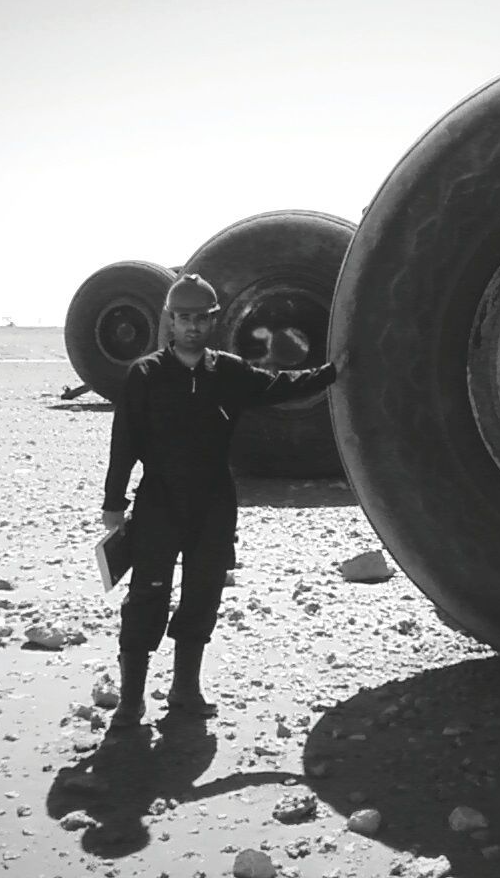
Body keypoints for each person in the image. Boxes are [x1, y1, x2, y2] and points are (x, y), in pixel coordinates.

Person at [100, 273, 343, 728]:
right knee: (146, 596)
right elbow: (124, 444)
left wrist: (333, 371)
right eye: (184, 318)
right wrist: (113, 503)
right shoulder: (146, 375)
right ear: (170, 321)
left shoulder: (228, 372)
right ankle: (130, 700)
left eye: (201, 318)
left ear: (214, 320)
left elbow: (281, 386)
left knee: (203, 595)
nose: (192, 326)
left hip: (213, 504)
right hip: (158, 502)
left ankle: (185, 691)